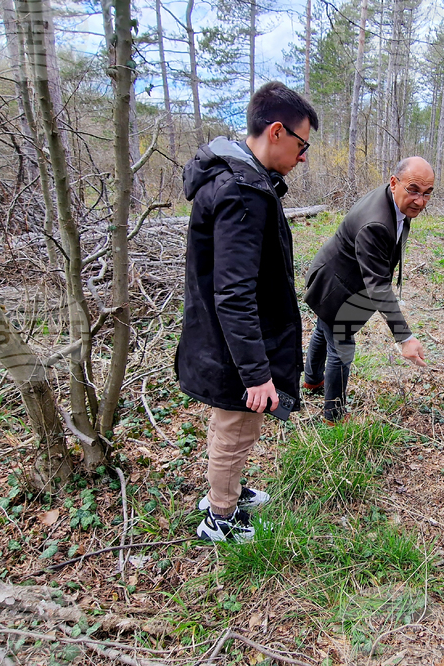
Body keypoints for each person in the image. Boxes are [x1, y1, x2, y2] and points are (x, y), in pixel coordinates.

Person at [176, 82, 317, 543]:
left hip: (224, 340)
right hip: (235, 347)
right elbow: (234, 294)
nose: (303, 156)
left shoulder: (238, 179)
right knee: (238, 426)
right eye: (302, 144)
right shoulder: (242, 192)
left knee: (229, 423)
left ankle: (226, 491)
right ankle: (220, 517)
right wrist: (257, 374)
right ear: (276, 131)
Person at [302, 157, 434, 423]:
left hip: (338, 277)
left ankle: (312, 380)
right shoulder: (376, 222)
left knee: (323, 329)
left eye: (427, 193)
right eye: (414, 190)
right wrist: (405, 338)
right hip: (333, 286)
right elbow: (377, 284)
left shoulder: (393, 200)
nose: (420, 201)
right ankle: (333, 415)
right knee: (340, 348)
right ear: (394, 183)